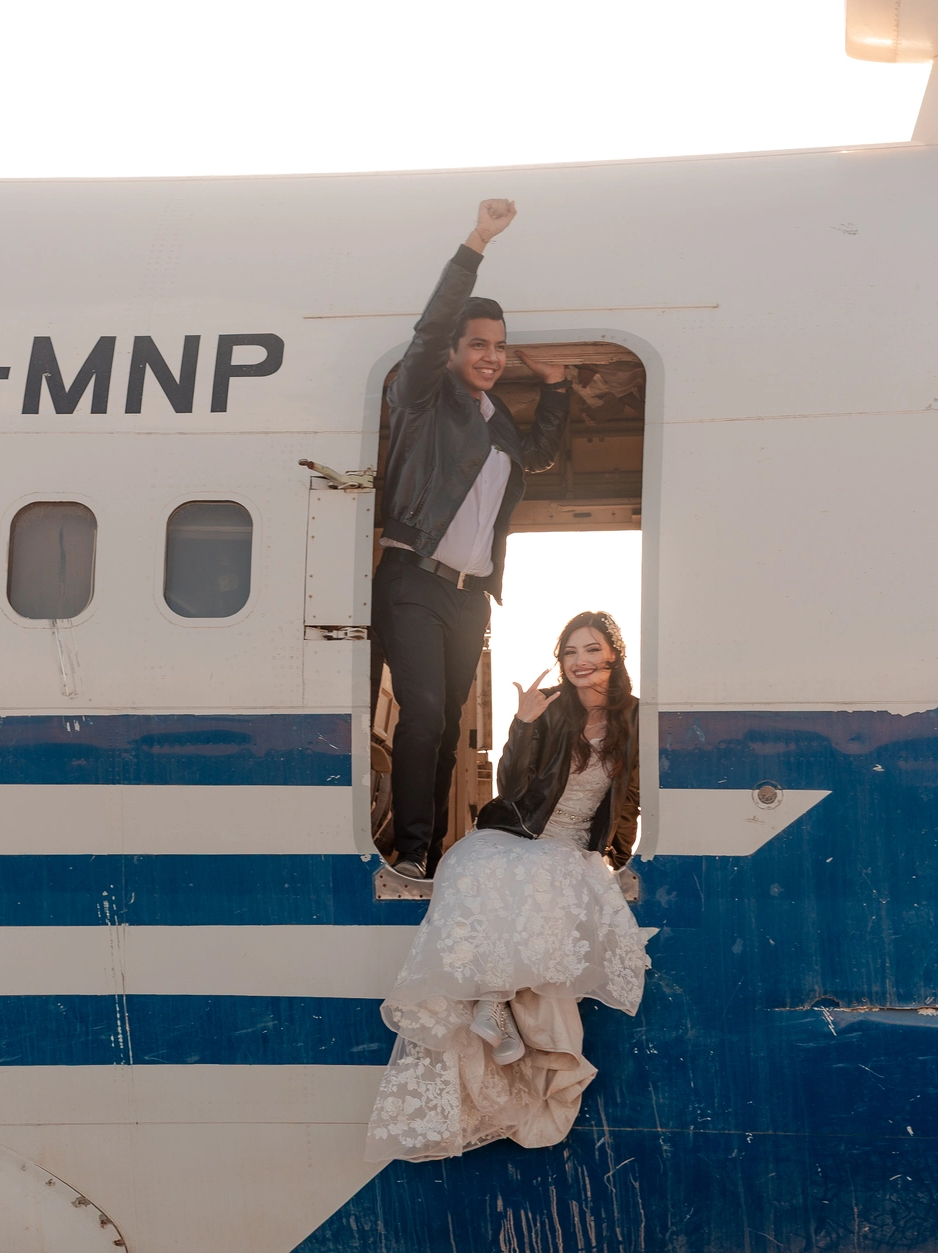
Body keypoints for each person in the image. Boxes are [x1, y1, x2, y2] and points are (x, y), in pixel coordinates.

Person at [365, 611, 655, 1162]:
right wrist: (522, 726)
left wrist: (615, 858)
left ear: (613, 654)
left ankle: (496, 1005)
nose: (579, 661)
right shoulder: (553, 708)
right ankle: (494, 1004)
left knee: (542, 883)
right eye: (569, 652)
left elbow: (632, 798)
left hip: (574, 845)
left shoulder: (638, 718)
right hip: (521, 833)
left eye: (591, 649)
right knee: (475, 865)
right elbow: (512, 787)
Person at [374, 199, 573, 881]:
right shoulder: (424, 400)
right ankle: (410, 851)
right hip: (415, 579)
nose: (491, 356)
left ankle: (431, 853)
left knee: (446, 727)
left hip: (468, 597)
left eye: (499, 346)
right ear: (454, 352)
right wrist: (477, 243)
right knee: (425, 712)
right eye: (479, 344)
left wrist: (556, 388)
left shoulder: (496, 419)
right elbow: (429, 328)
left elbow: (538, 455)